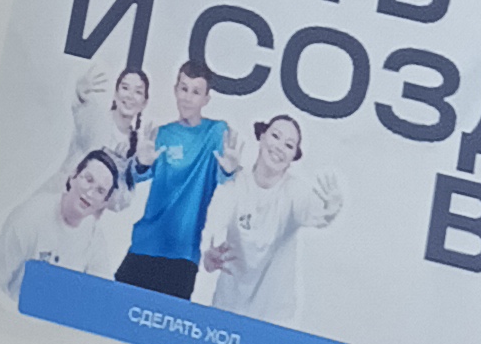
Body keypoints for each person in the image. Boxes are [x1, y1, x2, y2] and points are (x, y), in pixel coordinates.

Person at [114, 59, 241, 298]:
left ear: (206, 99)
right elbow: (135, 176)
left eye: (196, 92)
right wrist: (142, 162)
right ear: (175, 90)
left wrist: (229, 170)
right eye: (184, 88)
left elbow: (227, 180)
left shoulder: (216, 132)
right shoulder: (161, 134)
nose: (187, 97)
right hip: (144, 245)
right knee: (114, 310)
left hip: (182, 256)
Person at [202, 114, 344, 324]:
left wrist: (330, 211)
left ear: (294, 156)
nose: (279, 147)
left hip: (274, 315)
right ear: (261, 136)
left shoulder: (294, 190)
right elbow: (213, 223)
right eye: (275, 136)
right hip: (227, 306)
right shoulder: (237, 181)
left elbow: (313, 213)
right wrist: (209, 256)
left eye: (289, 145)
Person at [0, 148, 132, 300]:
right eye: (88, 180)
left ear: (103, 202)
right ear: (73, 176)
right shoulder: (31, 215)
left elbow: (102, 293)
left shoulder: (94, 236)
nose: (90, 193)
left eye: (100, 191)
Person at [69, 56, 153, 192]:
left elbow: (123, 193)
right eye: (125, 88)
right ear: (115, 93)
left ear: (144, 102)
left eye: (138, 92)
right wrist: (80, 95)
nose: (130, 96)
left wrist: (141, 165)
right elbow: (80, 114)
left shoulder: (136, 145)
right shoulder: (97, 118)